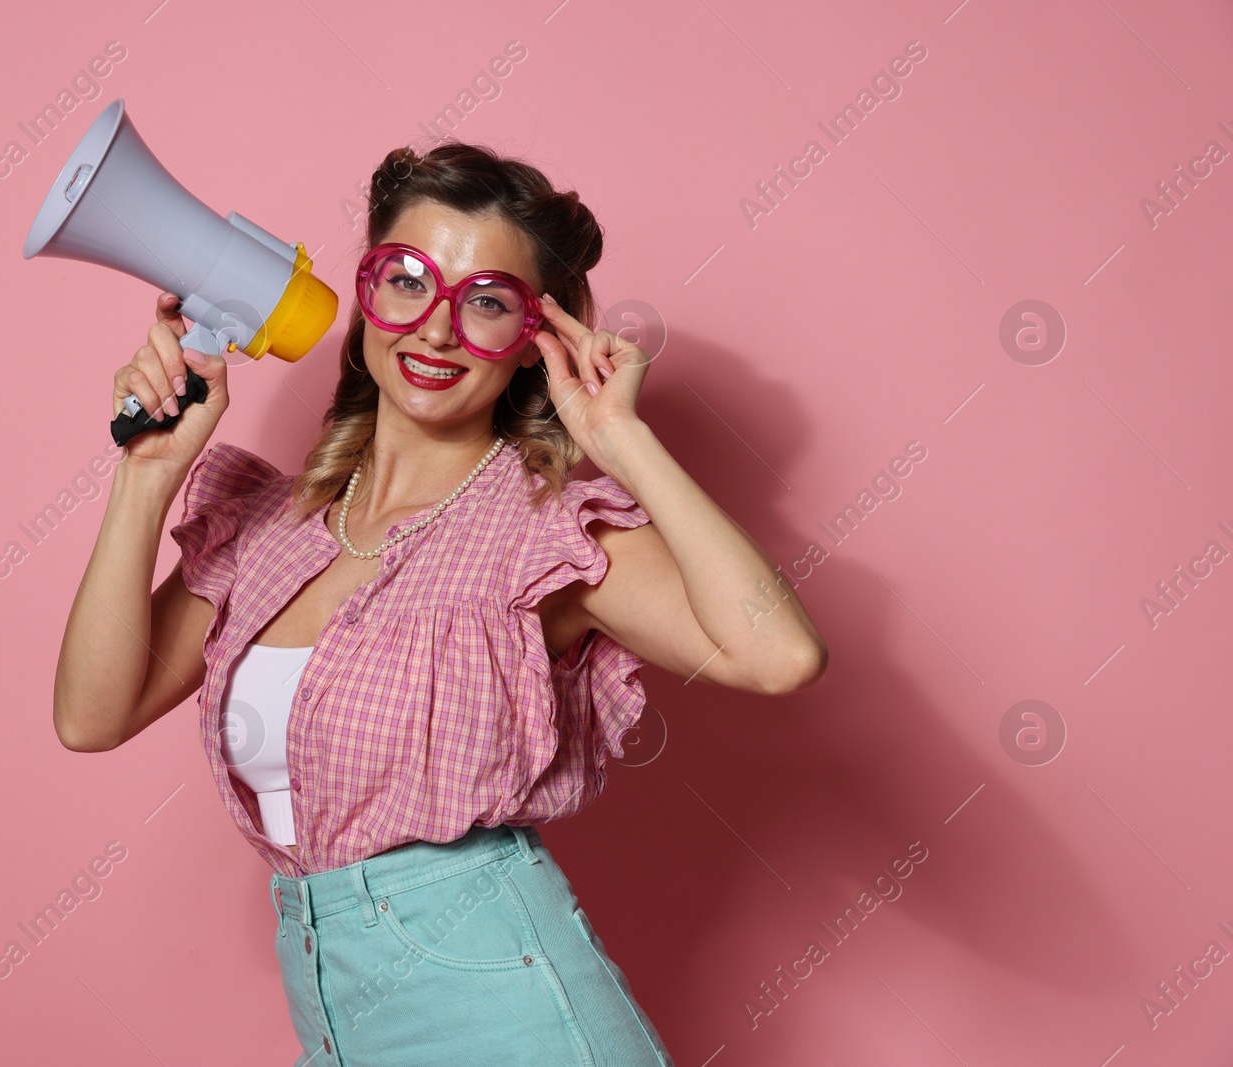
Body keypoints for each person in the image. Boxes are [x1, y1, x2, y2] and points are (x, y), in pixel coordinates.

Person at [52, 141, 827, 1066]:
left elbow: (780, 655)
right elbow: (91, 716)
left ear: (536, 339)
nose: (437, 328)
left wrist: (620, 438)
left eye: (488, 302)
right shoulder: (271, 526)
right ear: (366, 291)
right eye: (408, 279)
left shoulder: (545, 535)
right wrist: (147, 479)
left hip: (507, 1018)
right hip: (338, 1015)